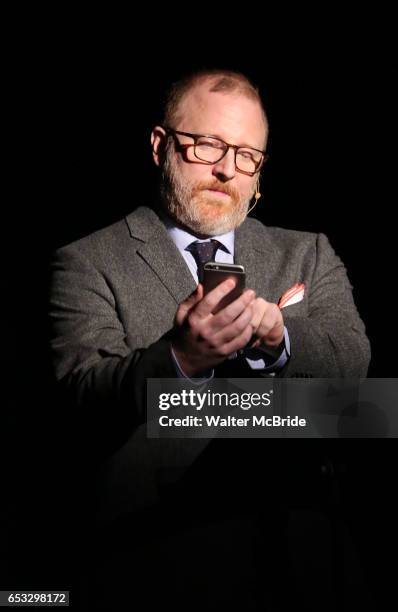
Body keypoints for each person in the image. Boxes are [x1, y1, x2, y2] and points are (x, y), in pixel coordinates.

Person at [49, 69, 371, 610]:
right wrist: (180, 359)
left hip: (307, 566)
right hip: (157, 568)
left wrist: (278, 340)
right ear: (161, 146)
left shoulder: (308, 253)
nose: (227, 169)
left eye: (247, 155)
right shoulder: (86, 261)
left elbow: (361, 398)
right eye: (207, 145)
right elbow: (80, 406)